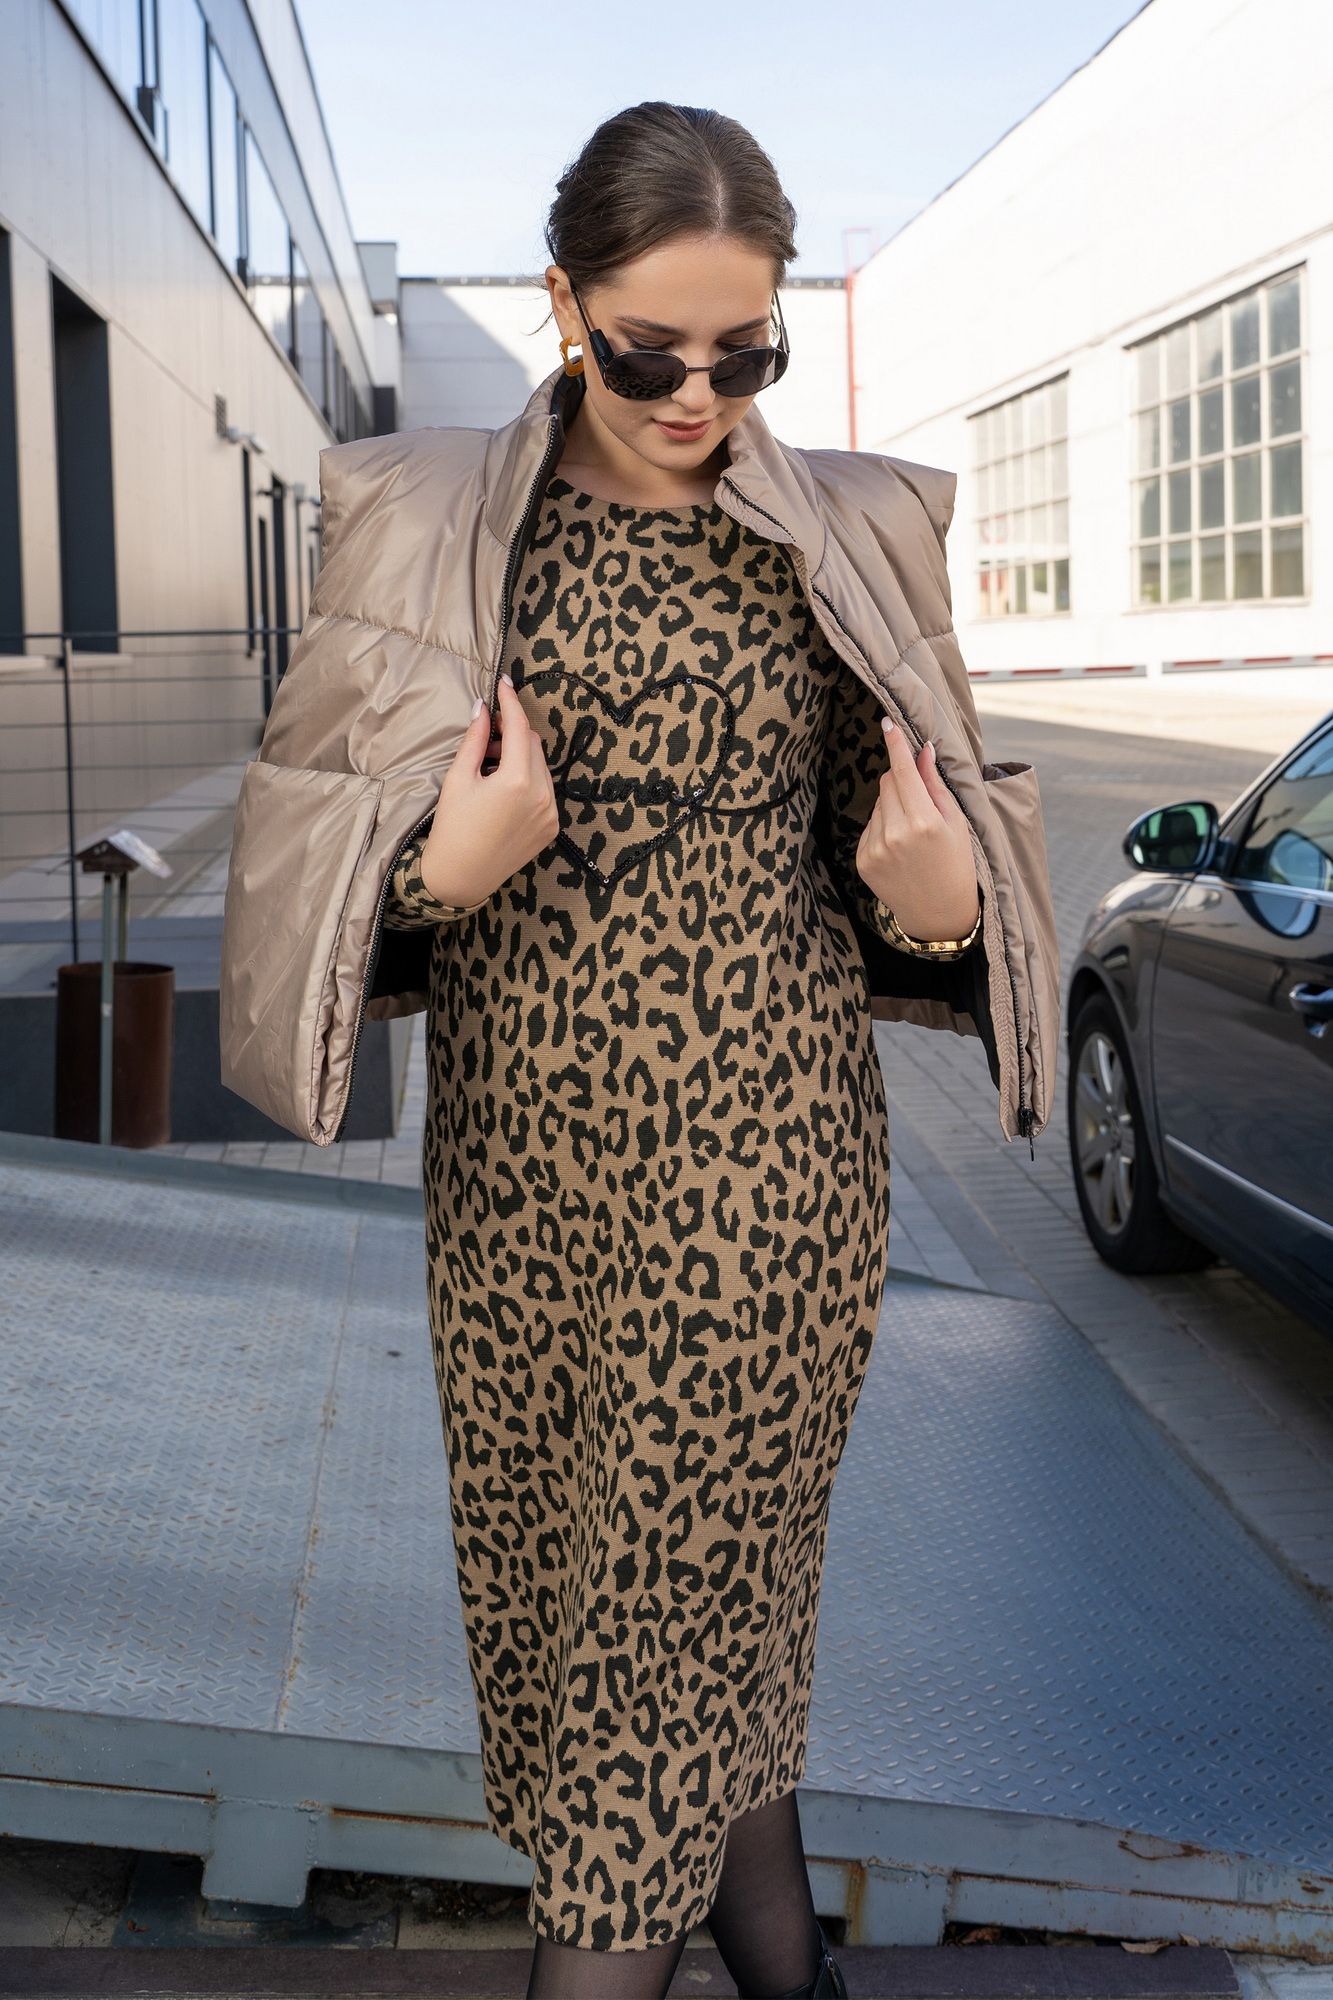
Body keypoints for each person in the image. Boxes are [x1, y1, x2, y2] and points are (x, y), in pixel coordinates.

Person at [219, 97, 1059, 2000]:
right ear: (562, 301)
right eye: (648, 350)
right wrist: (438, 872)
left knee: (658, 1627)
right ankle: (789, 1977)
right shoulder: (430, 516)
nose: (698, 396)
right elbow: (310, 839)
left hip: (763, 1170)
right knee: (577, 1600)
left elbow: (911, 860)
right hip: (514, 1175)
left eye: (744, 354)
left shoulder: (847, 529)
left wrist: (939, 905)